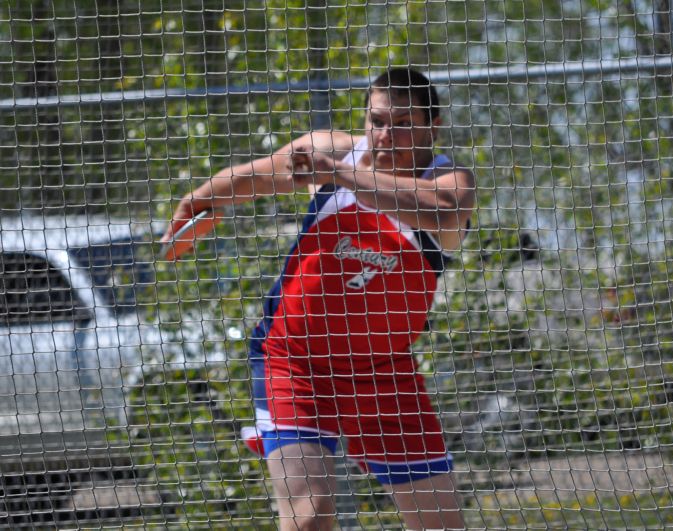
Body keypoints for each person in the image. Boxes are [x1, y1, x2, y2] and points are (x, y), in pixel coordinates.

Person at [162, 68, 475, 530]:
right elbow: (254, 176)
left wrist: (341, 175)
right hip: (294, 361)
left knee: (441, 526)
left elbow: (439, 210)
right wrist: (199, 202)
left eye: (404, 122)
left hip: (382, 373)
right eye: (378, 120)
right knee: (308, 519)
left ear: (434, 125)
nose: (387, 135)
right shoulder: (334, 153)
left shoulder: (448, 181)